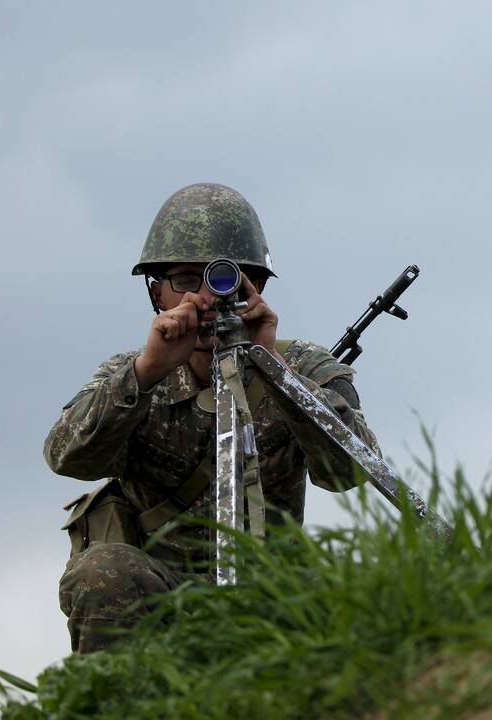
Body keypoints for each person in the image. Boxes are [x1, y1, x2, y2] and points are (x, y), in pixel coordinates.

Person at [45, 183, 381, 653]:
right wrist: (149, 370)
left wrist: (274, 371)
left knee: (366, 591)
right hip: (158, 592)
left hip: (273, 591)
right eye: (184, 280)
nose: (204, 298)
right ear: (156, 292)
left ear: (255, 287)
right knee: (102, 570)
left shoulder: (303, 366)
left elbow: (351, 470)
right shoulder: (132, 373)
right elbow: (66, 456)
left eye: (224, 280)